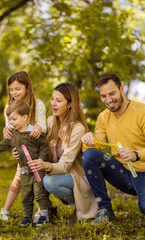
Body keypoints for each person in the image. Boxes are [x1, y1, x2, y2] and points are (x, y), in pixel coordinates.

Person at [81, 73, 145, 225]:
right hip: (122, 172)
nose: (108, 99)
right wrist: (89, 141)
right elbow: (99, 145)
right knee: (90, 155)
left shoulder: (144, 113)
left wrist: (136, 155)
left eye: (112, 93)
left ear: (122, 89)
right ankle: (105, 210)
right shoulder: (103, 117)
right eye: (103, 96)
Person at [28, 83, 99, 222]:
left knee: (49, 181)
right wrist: (20, 149)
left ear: (70, 104)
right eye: (52, 99)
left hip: (77, 176)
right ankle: (46, 207)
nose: (53, 104)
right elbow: (36, 145)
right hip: (61, 173)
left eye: (59, 101)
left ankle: (80, 206)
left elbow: (65, 165)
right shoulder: (49, 122)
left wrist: (46, 166)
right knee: (34, 169)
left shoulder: (77, 128)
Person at [0, 99, 51, 227]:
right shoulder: (13, 134)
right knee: (25, 195)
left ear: (25, 117)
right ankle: (27, 218)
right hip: (24, 171)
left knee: (39, 193)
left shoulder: (33, 132)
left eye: (14, 119)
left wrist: (41, 159)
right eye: (9, 119)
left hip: (37, 169)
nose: (10, 123)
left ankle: (44, 215)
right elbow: (4, 144)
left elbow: (44, 146)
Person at [0, 71, 49, 222]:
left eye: (18, 89)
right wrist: (5, 131)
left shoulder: (37, 104)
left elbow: (43, 126)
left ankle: (41, 212)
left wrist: (39, 127)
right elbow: (10, 128)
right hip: (22, 150)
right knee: (19, 178)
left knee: (39, 178)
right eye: (11, 89)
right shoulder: (9, 105)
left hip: (36, 148)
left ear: (27, 87)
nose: (14, 92)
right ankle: (5, 211)